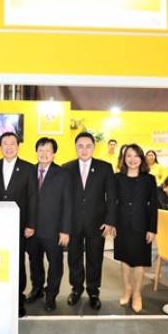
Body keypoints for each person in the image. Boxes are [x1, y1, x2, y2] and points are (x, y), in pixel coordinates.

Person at [63, 132, 117, 310]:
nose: (84, 150)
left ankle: (93, 292)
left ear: (94, 147)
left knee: (95, 258)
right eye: (80, 146)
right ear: (75, 147)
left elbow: (112, 197)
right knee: (74, 258)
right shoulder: (67, 168)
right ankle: (76, 289)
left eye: (88, 146)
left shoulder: (105, 168)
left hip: (97, 223)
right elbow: (63, 198)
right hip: (73, 223)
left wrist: (110, 221)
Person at [0, 132, 38, 317]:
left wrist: (31, 224)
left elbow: (33, 198)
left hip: (20, 225)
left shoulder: (28, 168)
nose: (9, 147)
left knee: (17, 262)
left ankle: (18, 299)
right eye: (5, 144)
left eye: (12, 143)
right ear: (0, 146)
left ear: (18, 146)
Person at [114, 144, 158, 313]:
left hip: (142, 226)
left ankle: (137, 293)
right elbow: (112, 203)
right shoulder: (117, 178)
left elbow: (153, 206)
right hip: (122, 225)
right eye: (128, 156)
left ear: (141, 158)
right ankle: (127, 289)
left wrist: (152, 229)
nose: (132, 160)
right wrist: (111, 223)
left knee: (140, 261)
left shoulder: (149, 179)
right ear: (123, 159)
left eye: (136, 156)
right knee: (124, 260)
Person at [28, 137, 71, 311]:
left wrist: (65, 230)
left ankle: (51, 295)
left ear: (53, 154)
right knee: (34, 262)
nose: (44, 154)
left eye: (48, 151)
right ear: (36, 152)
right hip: (31, 229)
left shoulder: (63, 174)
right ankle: (37, 289)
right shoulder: (29, 171)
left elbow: (68, 204)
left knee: (55, 264)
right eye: (41, 150)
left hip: (54, 230)